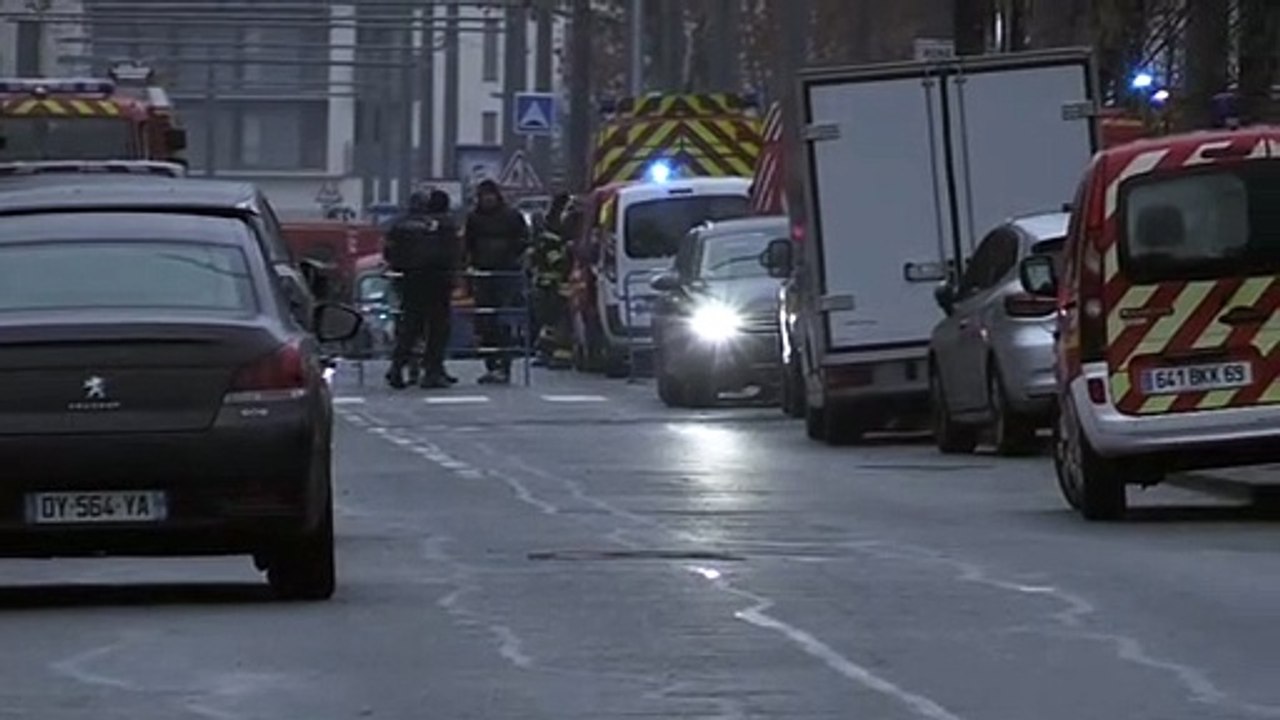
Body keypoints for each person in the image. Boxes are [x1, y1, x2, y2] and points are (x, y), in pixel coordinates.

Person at [383, 189, 459, 390]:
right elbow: (450, 252)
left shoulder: (398, 225)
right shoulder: (439, 225)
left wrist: (400, 268)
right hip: (437, 280)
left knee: (410, 327)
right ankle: (432, 371)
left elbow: (389, 252)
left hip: (410, 280)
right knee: (438, 328)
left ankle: (397, 367)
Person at [464, 180, 529, 384]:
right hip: (483, 274)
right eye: (484, 196)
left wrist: (512, 256)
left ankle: (504, 364)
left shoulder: (511, 216)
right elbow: (468, 244)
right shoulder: (474, 218)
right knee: (485, 321)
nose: (488, 199)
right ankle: (491, 364)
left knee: (504, 320)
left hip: (506, 274)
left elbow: (523, 239)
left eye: (490, 195)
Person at [531, 192, 574, 368]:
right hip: (554, 286)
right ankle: (557, 354)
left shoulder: (553, 232)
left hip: (550, 285)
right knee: (558, 319)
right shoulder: (552, 237)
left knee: (550, 321)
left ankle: (547, 352)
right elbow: (557, 261)